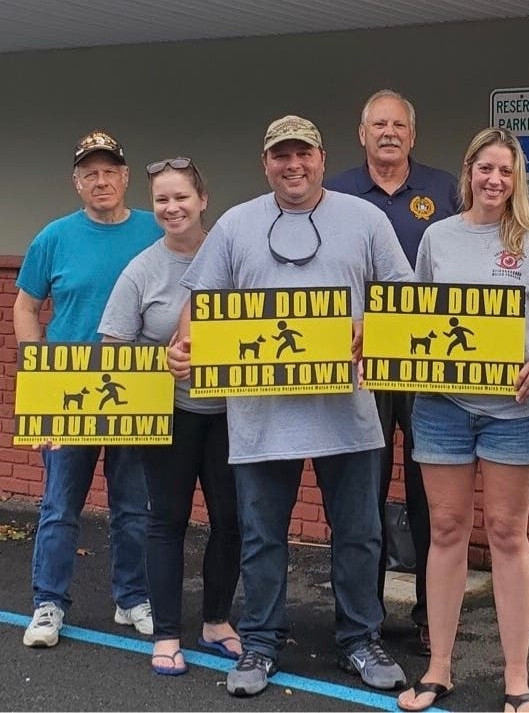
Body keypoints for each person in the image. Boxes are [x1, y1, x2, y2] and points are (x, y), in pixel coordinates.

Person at [167, 115, 412, 698]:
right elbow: (201, 303)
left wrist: (371, 328)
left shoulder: (366, 219)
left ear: (322, 158)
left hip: (348, 413)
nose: (292, 165)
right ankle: (261, 643)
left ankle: (359, 638)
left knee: (358, 533)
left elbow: (401, 297)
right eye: (281, 155)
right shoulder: (235, 224)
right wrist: (184, 348)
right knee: (262, 534)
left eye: (303, 153)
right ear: (266, 163)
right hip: (260, 415)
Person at [396, 127, 529, 713]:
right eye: (485, 168)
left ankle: (516, 678)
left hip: (513, 411)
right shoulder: (436, 238)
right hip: (442, 407)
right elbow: (417, 319)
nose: (494, 180)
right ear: (467, 171)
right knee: (445, 531)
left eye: (506, 170)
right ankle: (438, 668)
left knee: (506, 534)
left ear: (518, 178)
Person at [15, 129, 162, 648]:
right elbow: (26, 308)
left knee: (131, 505)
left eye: (109, 171)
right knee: (59, 505)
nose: (101, 181)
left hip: (136, 389)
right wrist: (37, 376)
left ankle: (132, 598)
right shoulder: (52, 237)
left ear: (125, 178)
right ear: (77, 183)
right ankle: (48, 604)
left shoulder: (155, 230)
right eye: (89, 173)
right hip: (68, 390)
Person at [327, 89, 459, 656]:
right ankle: (364, 617)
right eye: (377, 124)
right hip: (360, 365)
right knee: (363, 492)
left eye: (398, 125)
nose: (388, 132)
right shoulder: (334, 195)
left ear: (412, 133)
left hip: (426, 363)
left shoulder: (445, 189)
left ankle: (433, 614)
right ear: (361, 134)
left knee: (433, 493)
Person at [98, 157, 241, 676]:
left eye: (182, 197)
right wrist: (161, 359)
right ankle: (166, 633)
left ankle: (217, 621)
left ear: (203, 201)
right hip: (172, 415)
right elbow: (112, 347)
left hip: (233, 414)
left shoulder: (235, 256)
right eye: (162, 199)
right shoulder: (143, 268)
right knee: (167, 522)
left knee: (232, 521)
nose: (172, 207)